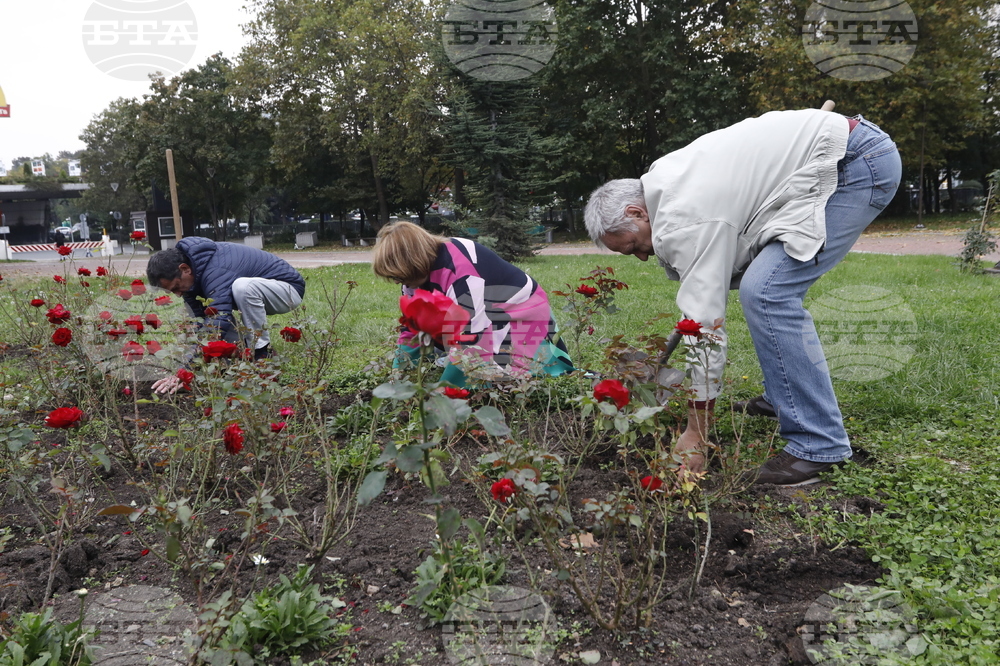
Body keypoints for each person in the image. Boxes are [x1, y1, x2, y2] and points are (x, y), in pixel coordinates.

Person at [584, 109, 900, 486]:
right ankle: (782, 397)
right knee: (762, 284)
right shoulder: (664, 183)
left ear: (637, 212)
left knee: (767, 292)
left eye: (634, 245)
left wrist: (696, 435)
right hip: (835, 150)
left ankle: (819, 445)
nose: (641, 256)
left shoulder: (686, 218)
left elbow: (704, 329)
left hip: (854, 165)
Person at [372, 221, 573, 386]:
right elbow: (412, 331)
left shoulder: (462, 274)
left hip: (520, 313)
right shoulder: (413, 279)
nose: (397, 282)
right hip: (485, 314)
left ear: (414, 263)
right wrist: (397, 379)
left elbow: (471, 341)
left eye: (399, 276)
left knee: (508, 379)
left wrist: (444, 395)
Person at [147, 236, 306, 394]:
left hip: (287, 291)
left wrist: (186, 371)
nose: (177, 295)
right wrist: (186, 369)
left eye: (176, 287)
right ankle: (242, 354)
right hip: (258, 294)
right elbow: (202, 324)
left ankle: (261, 352)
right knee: (208, 314)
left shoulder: (215, 270)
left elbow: (219, 321)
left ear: (184, 269)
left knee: (242, 288)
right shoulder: (193, 275)